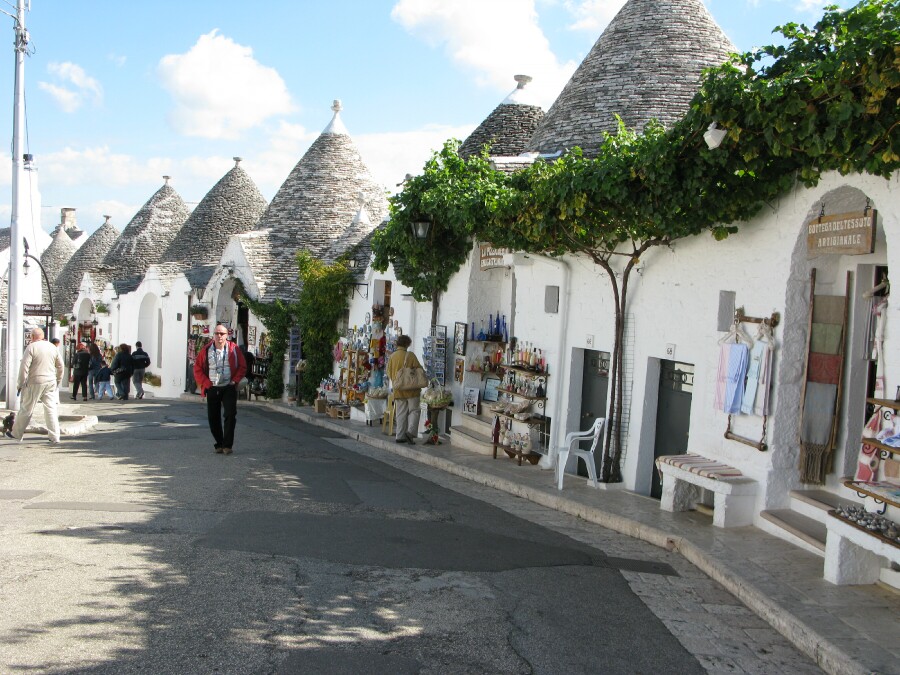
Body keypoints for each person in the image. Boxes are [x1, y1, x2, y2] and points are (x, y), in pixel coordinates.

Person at [193, 324, 247, 455]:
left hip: (229, 386)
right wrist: (207, 383)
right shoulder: (206, 350)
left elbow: (242, 366)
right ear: (213, 335)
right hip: (212, 387)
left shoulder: (234, 349)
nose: (219, 336)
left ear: (227, 335)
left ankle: (227, 445)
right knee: (213, 417)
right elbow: (197, 368)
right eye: (217, 333)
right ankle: (219, 443)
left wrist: (235, 380)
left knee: (230, 414)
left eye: (222, 334)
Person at [8, 327, 63, 443]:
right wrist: (58, 380)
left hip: (35, 381)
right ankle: (55, 436)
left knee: (27, 408)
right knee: (51, 409)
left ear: (32, 336)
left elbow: (24, 367)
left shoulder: (31, 347)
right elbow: (60, 366)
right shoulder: (52, 347)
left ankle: (16, 434)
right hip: (51, 381)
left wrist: (20, 383)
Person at [386, 334, 423, 444]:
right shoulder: (410, 355)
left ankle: (400, 436)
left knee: (400, 413)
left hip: (398, 390)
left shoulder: (392, 356)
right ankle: (410, 432)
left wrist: (397, 380)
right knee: (414, 411)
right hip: (412, 389)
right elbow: (419, 370)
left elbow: (388, 372)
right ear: (407, 344)